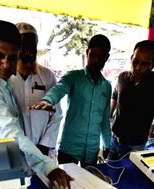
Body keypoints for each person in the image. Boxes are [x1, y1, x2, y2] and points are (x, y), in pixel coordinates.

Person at [0, 20, 71, 189]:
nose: (6, 64)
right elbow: (9, 132)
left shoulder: (3, 79)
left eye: (13, 57)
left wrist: (43, 149)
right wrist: (48, 166)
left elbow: (57, 115)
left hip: (20, 155)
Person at [30, 34, 112, 166]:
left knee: (91, 184)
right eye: (93, 55)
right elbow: (59, 88)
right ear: (87, 53)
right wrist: (48, 100)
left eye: (101, 56)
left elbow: (104, 120)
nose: (96, 60)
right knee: (67, 184)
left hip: (92, 150)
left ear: (106, 58)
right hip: (69, 149)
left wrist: (107, 144)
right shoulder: (73, 77)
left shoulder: (106, 86)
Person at [109, 40, 154, 160]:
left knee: (130, 177)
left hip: (136, 147)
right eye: (135, 61)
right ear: (131, 57)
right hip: (113, 141)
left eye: (145, 64)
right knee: (107, 175)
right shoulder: (122, 78)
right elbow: (115, 95)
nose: (137, 68)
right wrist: (109, 117)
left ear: (153, 64)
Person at [10, 22, 62, 156]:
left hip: (43, 152)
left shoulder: (47, 75)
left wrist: (44, 145)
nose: (28, 52)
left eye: (32, 47)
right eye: (23, 47)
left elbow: (57, 115)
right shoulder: (6, 78)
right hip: (15, 152)